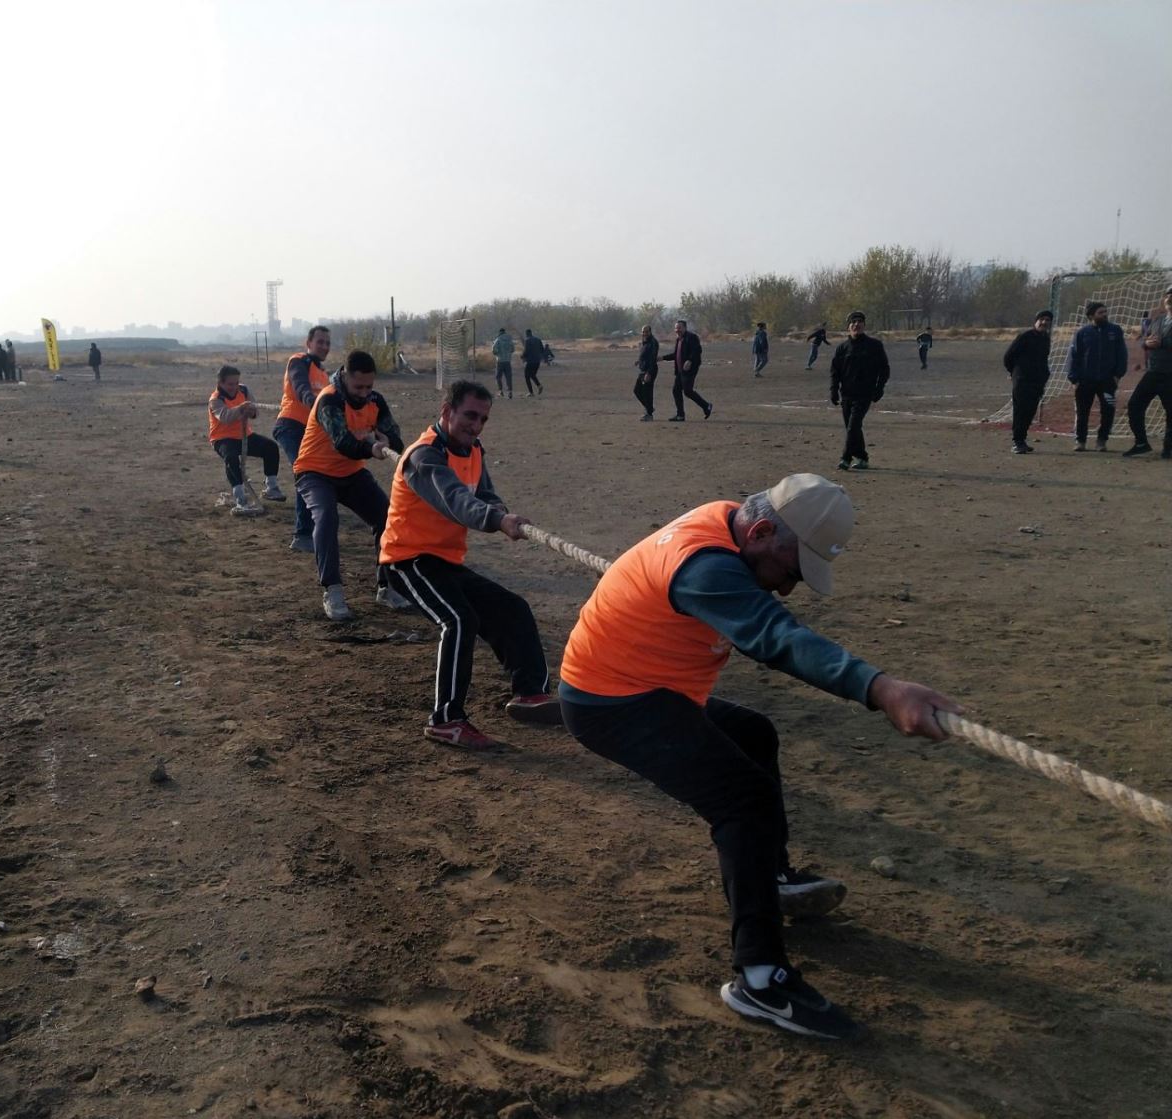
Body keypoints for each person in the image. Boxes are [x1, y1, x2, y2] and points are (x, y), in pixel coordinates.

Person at [558, 473, 960, 1039]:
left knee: (754, 735)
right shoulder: (704, 565)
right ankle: (760, 978)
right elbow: (777, 637)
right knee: (742, 801)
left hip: (650, 687)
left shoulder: (733, 523)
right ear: (762, 531)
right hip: (612, 702)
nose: (787, 589)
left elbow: (772, 620)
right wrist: (882, 689)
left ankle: (770, 876)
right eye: (790, 572)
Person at [380, 380, 559, 750]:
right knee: (459, 621)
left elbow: (483, 493)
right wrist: (497, 521)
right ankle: (446, 721)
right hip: (407, 560)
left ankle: (531, 695)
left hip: (445, 561)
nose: (476, 426)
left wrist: (501, 511)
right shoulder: (424, 456)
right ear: (447, 411)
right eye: (470, 416)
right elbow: (455, 500)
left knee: (513, 608)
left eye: (483, 419)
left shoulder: (473, 449)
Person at [292, 348, 407, 621]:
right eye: (359, 387)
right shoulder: (329, 400)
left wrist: (388, 441)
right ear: (344, 376)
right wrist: (371, 449)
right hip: (314, 472)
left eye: (369, 386)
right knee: (327, 517)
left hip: (351, 474)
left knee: (386, 517)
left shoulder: (375, 401)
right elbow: (343, 442)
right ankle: (332, 590)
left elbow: (394, 435)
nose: (364, 393)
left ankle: (387, 586)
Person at [275, 326, 331, 553]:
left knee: (315, 473)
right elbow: (300, 386)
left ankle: (315, 523)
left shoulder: (324, 374)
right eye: (320, 342)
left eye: (327, 343)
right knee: (305, 472)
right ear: (308, 343)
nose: (324, 346)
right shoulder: (298, 362)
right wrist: (313, 402)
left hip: (310, 432)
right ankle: (302, 534)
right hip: (290, 426)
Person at [209, 365, 285, 507]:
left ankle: (272, 487)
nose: (234, 387)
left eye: (236, 383)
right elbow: (225, 417)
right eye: (230, 384)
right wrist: (241, 408)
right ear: (220, 383)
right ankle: (240, 496)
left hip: (245, 435)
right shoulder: (216, 399)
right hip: (222, 438)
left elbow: (254, 410)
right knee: (231, 458)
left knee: (271, 447)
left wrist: (251, 412)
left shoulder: (244, 390)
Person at [1063, 300, 1127, 451]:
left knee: (1108, 411)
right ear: (1091, 316)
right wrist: (1074, 379)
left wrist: (1118, 375)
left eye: (1105, 312)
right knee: (1082, 412)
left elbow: (1122, 354)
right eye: (1100, 312)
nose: (1104, 315)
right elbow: (1074, 356)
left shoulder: (1115, 330)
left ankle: (1102, 440)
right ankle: (1080, 441)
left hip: (1107, 380)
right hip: (1085, 380)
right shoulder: (1082, 333)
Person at [829, 310, 888, 470]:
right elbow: (835, 371)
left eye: (859, 321)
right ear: (848, 327)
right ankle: (862, 458)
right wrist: (834, 390)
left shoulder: (874, 346)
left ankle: (845, 458)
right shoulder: (842, 348)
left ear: (864, 325)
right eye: (853, 322)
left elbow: (884, 369)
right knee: (853, 428)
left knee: (853, 427)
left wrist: (879, 388)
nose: (856, 324)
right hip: (846, 395)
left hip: (864, 394)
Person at [1123, 286, 1172, 459]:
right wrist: (1146, 343)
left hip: (1170, 374)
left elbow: (1162, 342)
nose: (1170, 299)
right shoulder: (1158, 320)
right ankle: (1141, 443)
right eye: (1168, 296)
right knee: (1134, 405)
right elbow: (1145, 339)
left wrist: (1162, 344)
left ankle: (1168, 449)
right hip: (1153, 372)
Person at [1003, 310, 1053, 454]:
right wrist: (1014, 372)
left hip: (1038, 381)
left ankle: (1022, 440)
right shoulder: (1025, 336)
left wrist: (1045, 374)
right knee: (1021, 410)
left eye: (1047, 320)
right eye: (1041, 319)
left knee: (1030, 411)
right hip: (1023, 380)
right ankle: (1017, 441)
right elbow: (1008, 356)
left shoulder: (1045, 338)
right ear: (1036, 321)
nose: (1044, 322)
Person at [662, 319, 711, 421]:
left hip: (690, 369)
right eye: (676, 328)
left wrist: (690, 360)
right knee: (676, 390)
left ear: (685, 328)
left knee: (688, 391)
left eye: (679, 328)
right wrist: (662, 358)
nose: (677, 330)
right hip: (680, 370)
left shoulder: (692, 337)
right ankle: (680, 415)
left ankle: (706, 406)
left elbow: (697, 350)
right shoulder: (678, 340)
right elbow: (675, 355)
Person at [632, 324, 658, 420]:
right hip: (643, 370)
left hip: (650, 370)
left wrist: (649, 373)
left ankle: (649, 414)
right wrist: (639, 361)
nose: (644, 333)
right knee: (637, 390)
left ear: (650, 332)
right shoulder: (645, 341)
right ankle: (649, 408)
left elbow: (652, 359)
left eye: (646, 331)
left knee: (647, 392)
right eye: (643, 332)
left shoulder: (653, 342)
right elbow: (645, 355)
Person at [490, 328, 514, 399]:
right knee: (508, 377)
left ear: (500, 332)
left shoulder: (498, 339)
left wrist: (497, 354)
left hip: (500, 361)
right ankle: (510, 391)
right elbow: (513, 349)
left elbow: (494, 350)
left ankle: (500, 391)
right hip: (507, 361)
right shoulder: (509, 339)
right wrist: (508, 353)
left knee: (498, 377)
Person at [522, 329, 546, 395]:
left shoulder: (527, 340)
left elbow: (526, 351)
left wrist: (522, 356)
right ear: (531, 333)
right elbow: (542, 350)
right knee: (532, 375)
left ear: (526, 334)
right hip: (537, 361)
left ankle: (531, 392)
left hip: (530, 361)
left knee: (527, 376)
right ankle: (539, 386)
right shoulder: (538, 340)